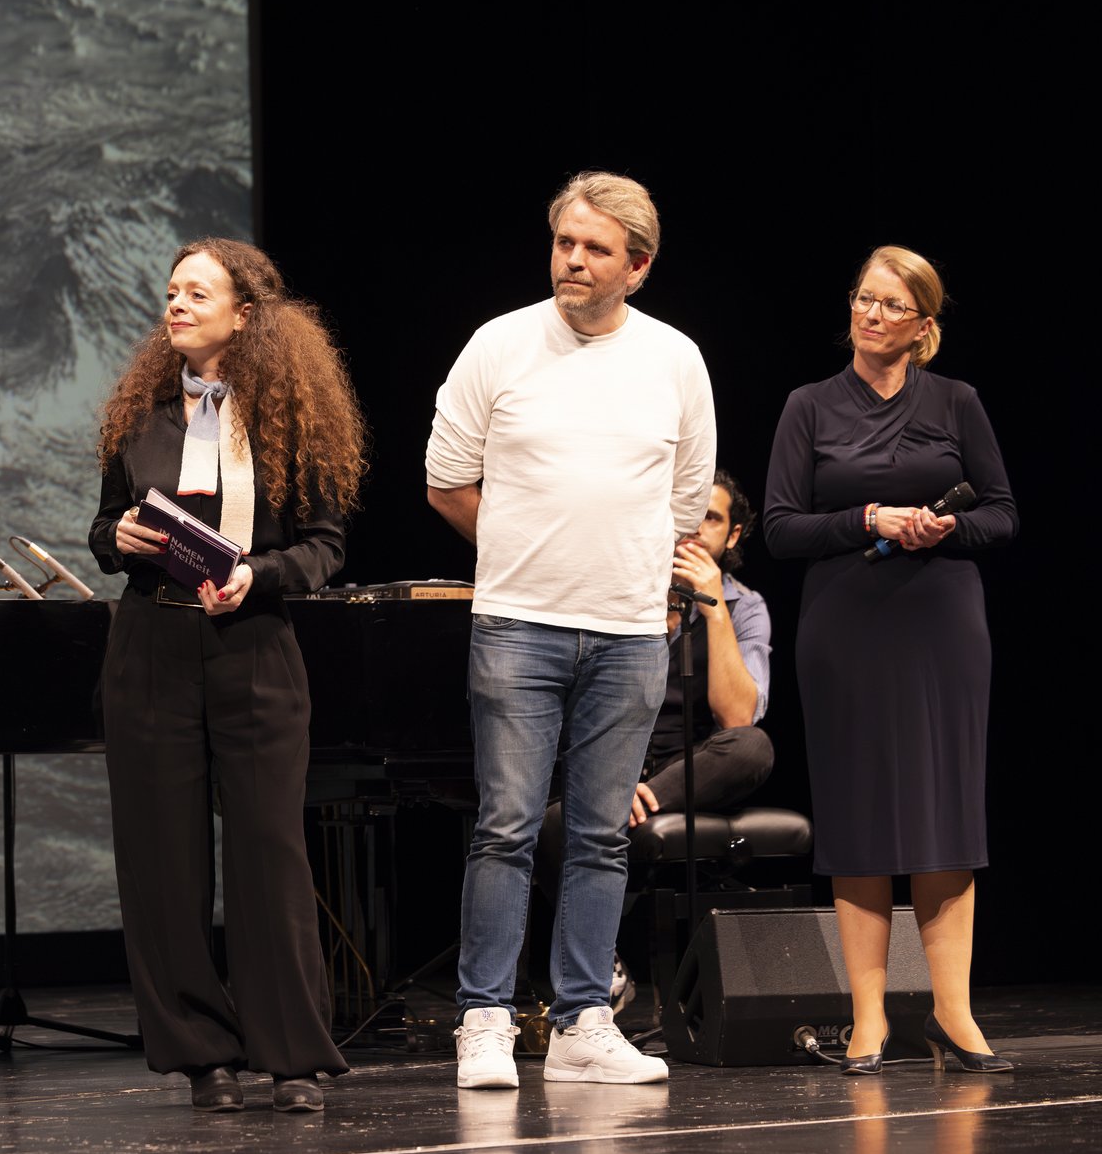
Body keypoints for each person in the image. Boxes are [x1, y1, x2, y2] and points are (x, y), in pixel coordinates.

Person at [426, 170, 715, 1088]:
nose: (574, 261)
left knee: (599, 834)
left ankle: (586, 1017)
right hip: (518, 623)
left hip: (630, 631)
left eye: (594, 248)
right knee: (507, 825)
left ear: (638, 263)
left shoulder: (676, 359)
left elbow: (684, 497)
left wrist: (627, 570)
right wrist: (520, 546)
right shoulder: (500, 345)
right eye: (564, 243)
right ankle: (484, 1019)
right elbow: (444, 478)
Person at [88, 238, 366, 1114]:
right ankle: (200, 1051)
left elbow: (325, 545)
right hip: (150, 651)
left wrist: (261, 576)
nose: (174, 304)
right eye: (170, 291)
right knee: (162, 861)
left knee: (267, 857)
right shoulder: (141, 410)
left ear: (244, 312)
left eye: (195, 293)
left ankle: (290, 1056)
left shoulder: (288, 410)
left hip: (253, 649)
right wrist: (118, 540)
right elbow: (103, 526)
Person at [765, 245, 1018, 1075]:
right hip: (845, 626)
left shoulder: (957, 401)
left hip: (941, 622)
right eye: (863, 299)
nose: (871, 315)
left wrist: (948, 527)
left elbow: (1003, 514)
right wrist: (867, 516)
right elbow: (779, 527)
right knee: (860, 814)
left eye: (890, 306)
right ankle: (868, 1017)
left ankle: (953, 1011)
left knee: (945, 812)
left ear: (923, 325)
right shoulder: (808, 406)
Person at [532, 471, 775, 1006]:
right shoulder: (615, 590)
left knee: (754, 746)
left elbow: (737, 716)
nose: (692, 531)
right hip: (610, 760)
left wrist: (713, 607)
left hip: (685, 771)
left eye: (710, 519)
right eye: (684, 516)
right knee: (549, 823)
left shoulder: (746, 606)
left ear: (732, 537)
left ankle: (634, 803)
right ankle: (601, 960)